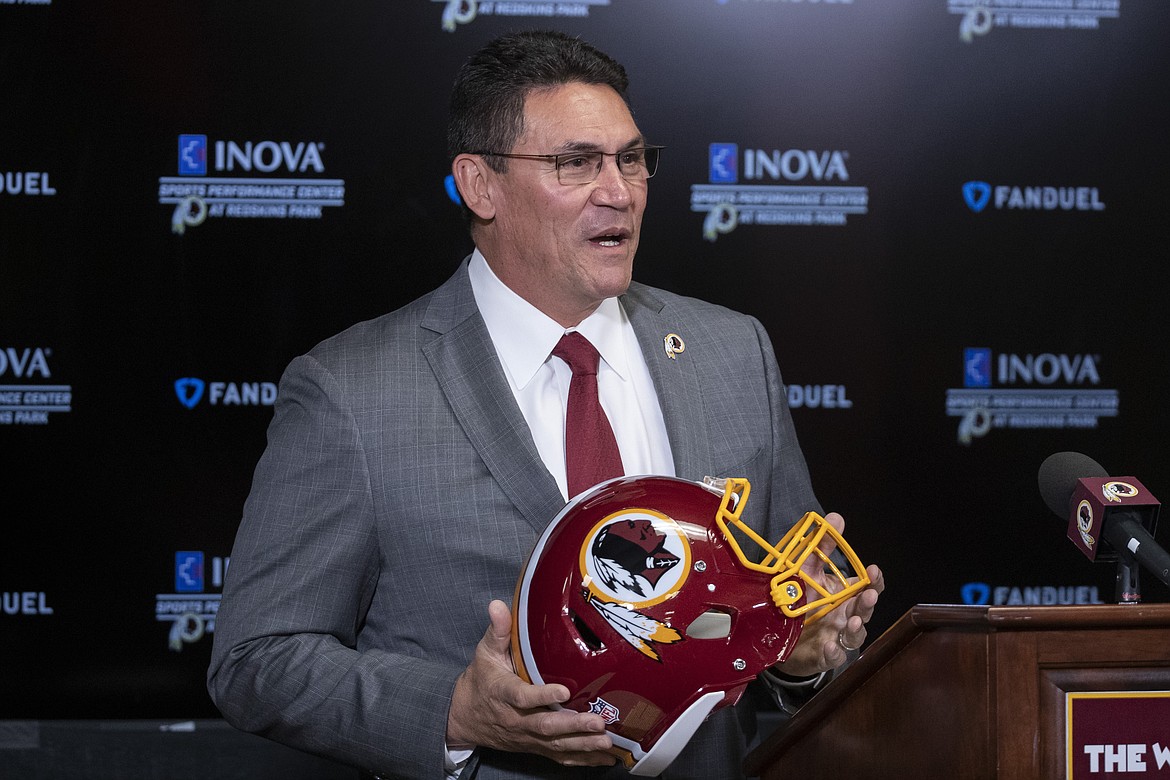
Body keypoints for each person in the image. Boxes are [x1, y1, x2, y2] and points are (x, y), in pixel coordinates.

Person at [208, 29, 884, 780]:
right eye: (577, 162)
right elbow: (255, 659)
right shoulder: (353, 390)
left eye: (632, 159)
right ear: (480, 185)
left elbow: (783, 613)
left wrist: (803, 653)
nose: (619, 191)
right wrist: (454, 710)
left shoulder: (733, 353)